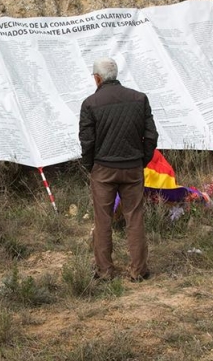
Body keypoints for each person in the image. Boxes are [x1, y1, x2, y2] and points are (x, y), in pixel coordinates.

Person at [79, 57, 158, 282]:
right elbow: (151, 135)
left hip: (103, 169)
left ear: (97, 78)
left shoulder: (90, 104)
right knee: (135, 217)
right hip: (133, 166)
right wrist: (142, 159)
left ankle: (105, 271)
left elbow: (87, 141)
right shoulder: (139, 99)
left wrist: (90, 167)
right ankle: (139, 271)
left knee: (102, 219)